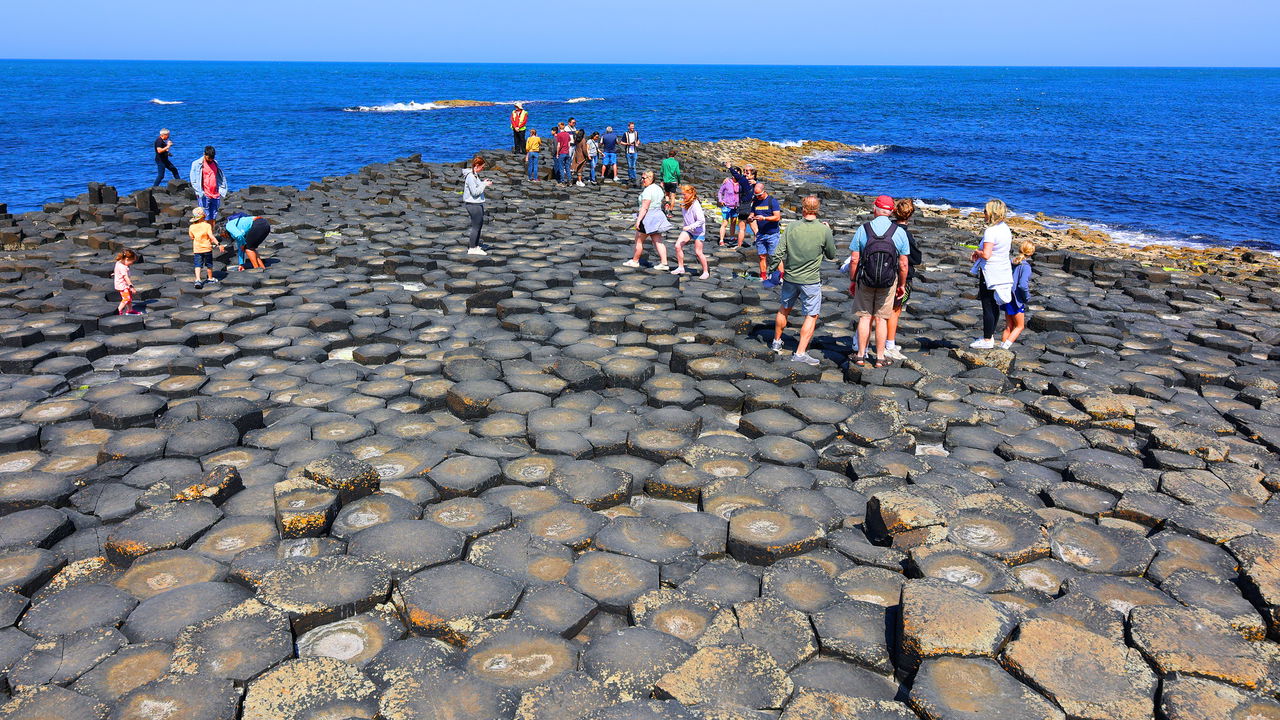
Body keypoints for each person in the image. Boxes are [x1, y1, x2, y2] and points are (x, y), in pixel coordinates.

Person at [769, 195, 836, 366]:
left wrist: (771, 270)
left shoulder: (791, 227)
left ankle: (776, 342)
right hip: (810, 280)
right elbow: (831, 255)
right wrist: (828, 232)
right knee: (811, 315)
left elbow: (778, 252)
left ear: (803, 208)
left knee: (784, 308)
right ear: (817, 209)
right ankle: (800, 352)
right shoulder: (824, 230)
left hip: (791, 277)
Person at [848, 195, 911, 367]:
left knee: (865, 317)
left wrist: (853, 280)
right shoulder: (898, 232)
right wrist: (902, 285)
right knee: (882, 319)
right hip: (889, 281)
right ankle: (880, 357)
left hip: (865, 280)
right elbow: (903, 264)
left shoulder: (864, 229)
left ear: (875, 208)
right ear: (891, 211)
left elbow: (854, 259)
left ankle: (861, 355)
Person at [970, 198, 1015, 349]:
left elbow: (987, 254)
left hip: (990, 271)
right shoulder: (1005, 228)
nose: (983, 214)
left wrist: (977, 251)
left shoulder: (991, 231)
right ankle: (989, 336)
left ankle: (987, 339)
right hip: (1002, 269)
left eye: (985, 211)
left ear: (991, 213)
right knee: (995, 304)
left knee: (987, 305)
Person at [883, 198, 922, 361]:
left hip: (883, 272)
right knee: (895, 310)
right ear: (910, 215)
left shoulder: (887, 228)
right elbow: (915, 258)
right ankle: (889, 345)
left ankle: (878, 341)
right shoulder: (905, 233)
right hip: (900, 276)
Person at [623, 170, 670, 270]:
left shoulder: (648, 191)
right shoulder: (658, 188)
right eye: (642, 178)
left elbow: (645, 207)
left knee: (639, 240)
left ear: (650, 178)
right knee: (658, 241)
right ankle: (664, 263)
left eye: (644, 178)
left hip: (648, 218)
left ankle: (635, 261)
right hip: (657, 216)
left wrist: (638, 221)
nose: (642, 180)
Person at [1001, 241, 1036, 349]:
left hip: (1007, 295)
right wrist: (1026, 297)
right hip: (1016, 299)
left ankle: (1001, 347)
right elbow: (1022, 285)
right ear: (1030, 253)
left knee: (1009, 326)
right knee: (1019, 327)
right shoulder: (1025, 267)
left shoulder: (1012, 262)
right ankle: (1004, 348)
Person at [672, 185, 709, 279]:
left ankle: (705, 272)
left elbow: (701, 220)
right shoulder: (685, 202)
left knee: (698, 252)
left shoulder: (696, 205)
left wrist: (690, 227)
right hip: (688, 230)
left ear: (691, 193)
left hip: (698, 231)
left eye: (684, 194)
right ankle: (681, 267)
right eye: (682, 194)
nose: (683, 196)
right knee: (677, 246)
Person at [749, 183, 782, 280]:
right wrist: (751, 218)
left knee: (775, 257)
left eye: (759, 195)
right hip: (761, 234)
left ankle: (781, 276)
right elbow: (752, 213)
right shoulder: (756, 201)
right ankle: (763, 276)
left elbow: (777, 217)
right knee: (762, 256)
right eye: (756, 195)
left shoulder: (772, 201)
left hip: (772, 234)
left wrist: (764, 218)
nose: (758, 197)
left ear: (764, 192)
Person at [463, 155, 493, 256]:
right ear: (476, 165)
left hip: (477, 204)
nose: (483, 169)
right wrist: (484, 185)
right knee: (476, 227)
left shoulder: (475, 175)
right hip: (473, 204)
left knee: (479, 225)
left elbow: (478, 186)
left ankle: (476, 245)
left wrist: (483, 182)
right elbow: (475, 192)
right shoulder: (471, 176)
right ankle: (472, 248)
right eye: (482, 167)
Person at [725, 162, 758, 248]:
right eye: (744, 171)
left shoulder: (745, 182)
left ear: (753, 174)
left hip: (744, 208)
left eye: (747, 172)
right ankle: (758, 244)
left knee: (742, 229)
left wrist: (729, 167)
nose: (745, 173)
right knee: (754, 229)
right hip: (750, 208)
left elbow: (737, 176)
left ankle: (739, 246)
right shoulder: (755, 183)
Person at [189, 206, 224, 289]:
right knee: (209, 264)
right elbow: (211, 237)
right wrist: (219, 244)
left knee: (198, 264)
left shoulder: (191, 227)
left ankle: (198, 279)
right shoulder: (207, 225)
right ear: (203, 216)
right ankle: (210, 278)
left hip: (197, 249)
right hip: (207, 248)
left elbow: (191, 237)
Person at [189, 146, 227, 221]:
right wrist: (199, 192)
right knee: (204, 215)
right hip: (204, 194)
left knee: (214, 215)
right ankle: (205, 231)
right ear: (204, 154)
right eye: (209, 158)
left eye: (212, 158)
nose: (210, 160)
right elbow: (193, 180)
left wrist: (221, 190)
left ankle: (211, 231)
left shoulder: (215, 163)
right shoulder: (197, 164)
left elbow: (219, 176)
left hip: (215, 194)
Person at [113, 249, 141, 315]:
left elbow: (117, 270)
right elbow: (126, 278)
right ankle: (118, 310)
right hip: (122, 285)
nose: (132, 263)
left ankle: (130, 310)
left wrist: (115, 273)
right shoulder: (123, 267)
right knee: (126, 298)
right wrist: (131, 287)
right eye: (132, 262)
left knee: (129, 298)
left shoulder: (119, 262)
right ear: (127, 259)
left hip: (122, 284)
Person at [717, 173, 739, 247]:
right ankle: (721, 240)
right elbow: (720, 192)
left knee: (733, 222)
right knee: (725, 223)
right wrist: (720, 200)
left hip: (735, 207)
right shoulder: (727, 182)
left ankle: (732, 237)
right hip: (726, 206)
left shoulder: (740, 183)